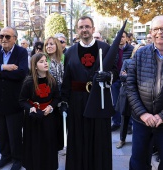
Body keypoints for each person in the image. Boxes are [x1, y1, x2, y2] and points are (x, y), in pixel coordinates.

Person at [60, 16, 118, 170]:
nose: (84, 30)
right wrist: (64, 101)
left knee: (99, 138)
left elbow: (114, 71)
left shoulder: (105, 49)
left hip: (99, 100)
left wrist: (109, 76)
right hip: (77, 102)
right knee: (78, 138)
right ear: (77, 30)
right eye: (81, 27)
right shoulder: (70, 52)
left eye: (87, 26)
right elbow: (66, 79)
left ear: (93, 29)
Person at [126, 15, 163, 170]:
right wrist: (143, 114)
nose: (159, 32)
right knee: (138, 162)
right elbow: (130, 86)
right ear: (151, 32)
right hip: (141, 120)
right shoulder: (140, 54)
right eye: (156, 29)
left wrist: (161, 116)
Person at [0, 26, 28, 170]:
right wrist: (4, 68)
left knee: (14, 133)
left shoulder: (21, 52)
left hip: (14, 100)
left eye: (7, 36)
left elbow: (21, 73)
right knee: (1, 132)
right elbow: (12, 72)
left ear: (15, 38)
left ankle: (17, 159)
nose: (4, 39)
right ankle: (5, 156)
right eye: (1, 36)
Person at [19, 52, 60, 170]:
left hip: (48, 117)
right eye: (41, 62)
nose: (45, 63)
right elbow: (22, 100)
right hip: (34, 119)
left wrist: (51, 107)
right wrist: (30, 108)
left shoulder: (52, 80)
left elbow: (57, 97)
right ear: (35, 66)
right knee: (35, 144)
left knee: (49, 143)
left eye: (46, 61)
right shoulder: (28, 82)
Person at [116, 43, 145, 149]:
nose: (141, 52)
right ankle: (121, 139)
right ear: (134, 51)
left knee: (139, 119)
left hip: (141, 95)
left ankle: (138, 142)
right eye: (139, 50)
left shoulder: (147, 63)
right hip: (127, 93)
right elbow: (121, 77)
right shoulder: (127, 62)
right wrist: (136, 78)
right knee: (125, 117)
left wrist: (128, 76)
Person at [44, 36, 64, 150]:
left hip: (61, 97)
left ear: (57, 45)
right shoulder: (43, 59)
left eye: (51, 44)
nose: (49, 46)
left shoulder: (63, 59)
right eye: (47, 44)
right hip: (48, 97)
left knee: (59, 125)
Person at [111, 31, 134, 132]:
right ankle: (116, 122)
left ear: (126, 38)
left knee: (127, 103)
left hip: (127, 81)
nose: (120, 39)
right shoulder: (113, 49)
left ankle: (128, 125)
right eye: (119, 37)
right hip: (115, 80)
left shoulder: (131, 49)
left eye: (123, 37)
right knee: (115, 102)